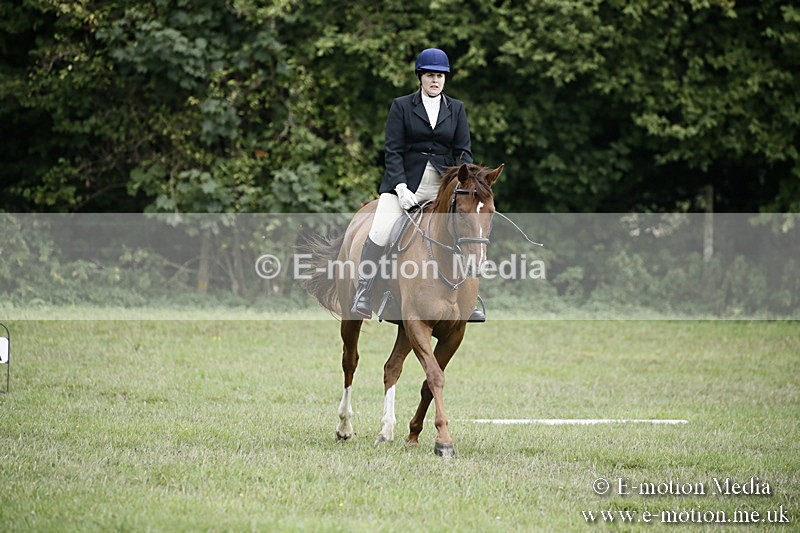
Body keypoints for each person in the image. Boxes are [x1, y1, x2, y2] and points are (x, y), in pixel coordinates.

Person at [350, 47, 485, 322]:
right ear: (420, 78)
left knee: (464, 229)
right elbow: (393, 150)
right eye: (430, 75)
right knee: (381, 230)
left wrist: (465, 180)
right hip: (405, 182)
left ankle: (470, 298)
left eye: (440, 76)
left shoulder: (456, 109)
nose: (435, 80)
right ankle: (364, 292)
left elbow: (464, 152)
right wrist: (400, 188)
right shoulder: (401, 106)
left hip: (442, 185)